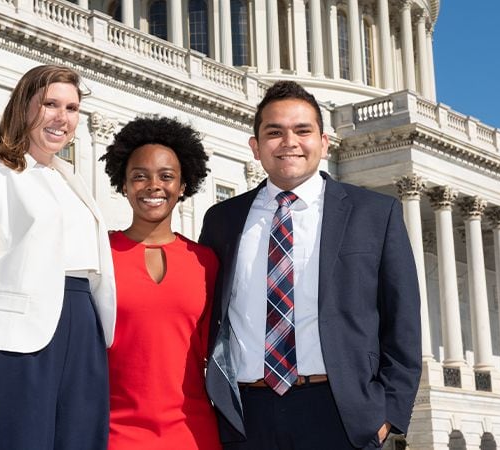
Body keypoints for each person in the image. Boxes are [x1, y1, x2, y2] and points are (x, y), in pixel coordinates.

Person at [199, 81, 422, 450]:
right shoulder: (223, 219)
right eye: (274, 132)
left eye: (303, 130)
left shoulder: (374, 214)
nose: (289, 142)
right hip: (246, 414)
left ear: (324, 142)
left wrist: (387, 415)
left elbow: (403, 322)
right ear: (256, 148)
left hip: (339, 414)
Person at [0, 65, 116, 450]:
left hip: (85, 335)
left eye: (71, 108)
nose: (62, 118)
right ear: (24, 107)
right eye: (50, 104)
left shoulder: (71, 179)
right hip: (17, 348)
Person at [100, 116, 221, 450]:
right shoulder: (97, 255)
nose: (153, 185)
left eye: (166, 176)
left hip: (193, 433)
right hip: (114, 432)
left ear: (182, 186)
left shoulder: (205, 262)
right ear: (123, 184)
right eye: (139, 176)